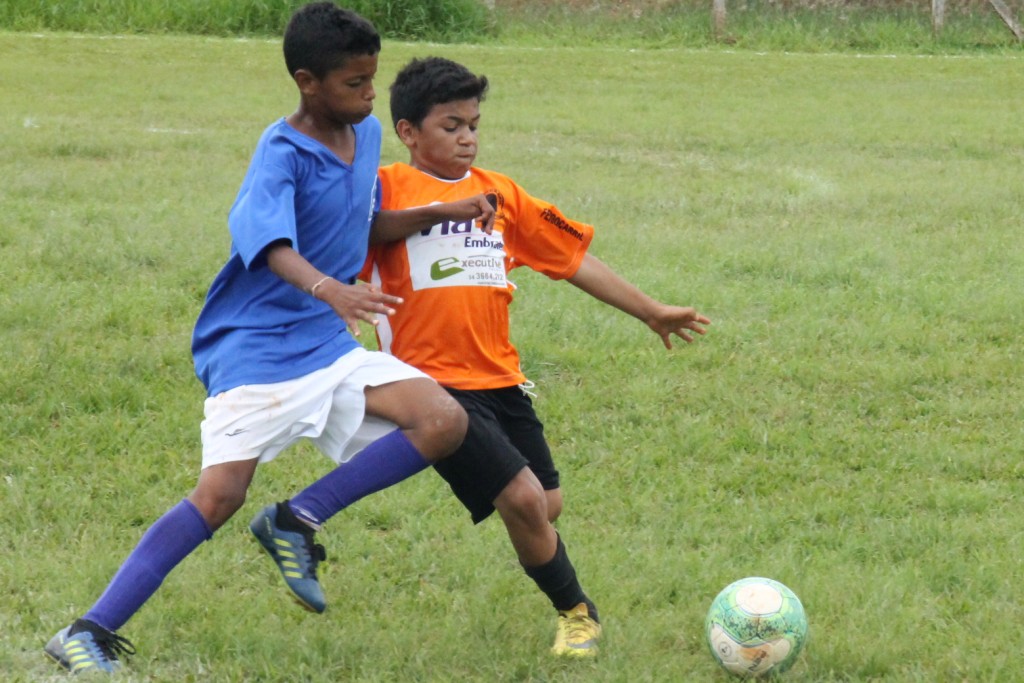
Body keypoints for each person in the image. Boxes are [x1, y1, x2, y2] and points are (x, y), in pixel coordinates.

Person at [43, 6, 494, 675]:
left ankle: (297, 518)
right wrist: (332, 290)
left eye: (372, 79)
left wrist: (438, 211)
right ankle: (87, 630)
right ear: (308, 82)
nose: (370, 95)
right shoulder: (281, 153)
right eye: (355, 83)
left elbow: (361, 224)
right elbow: (270, 244)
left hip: (323, 340)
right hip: (254, 345)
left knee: (441, 419)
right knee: (219, 497)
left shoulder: (366, 133)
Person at [360, 56, 711, 658]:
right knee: (522, 500)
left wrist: (650, 310)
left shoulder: (502, 194)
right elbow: (360, 230)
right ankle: (578, 615)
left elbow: (572, 260)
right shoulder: (385, 186)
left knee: (545, 506)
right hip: (432, 389)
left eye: (474, 125)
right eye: (451, 126)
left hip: (501, 378)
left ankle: (522, 517)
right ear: (408, 132)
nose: (467, 137)